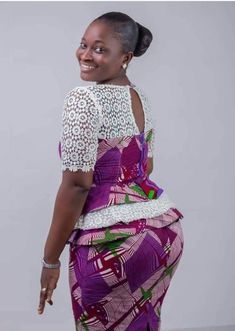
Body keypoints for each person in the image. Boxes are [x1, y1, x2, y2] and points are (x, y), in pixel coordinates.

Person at [37, 11, 185, 331]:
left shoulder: (84, 98)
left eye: (100, 48)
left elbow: (77, 186)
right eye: (83, 45)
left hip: (114, 243)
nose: (86, 55)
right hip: (163, 234)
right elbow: (146, 167)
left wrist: (50, 260)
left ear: (125, 57)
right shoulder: (139, 97)